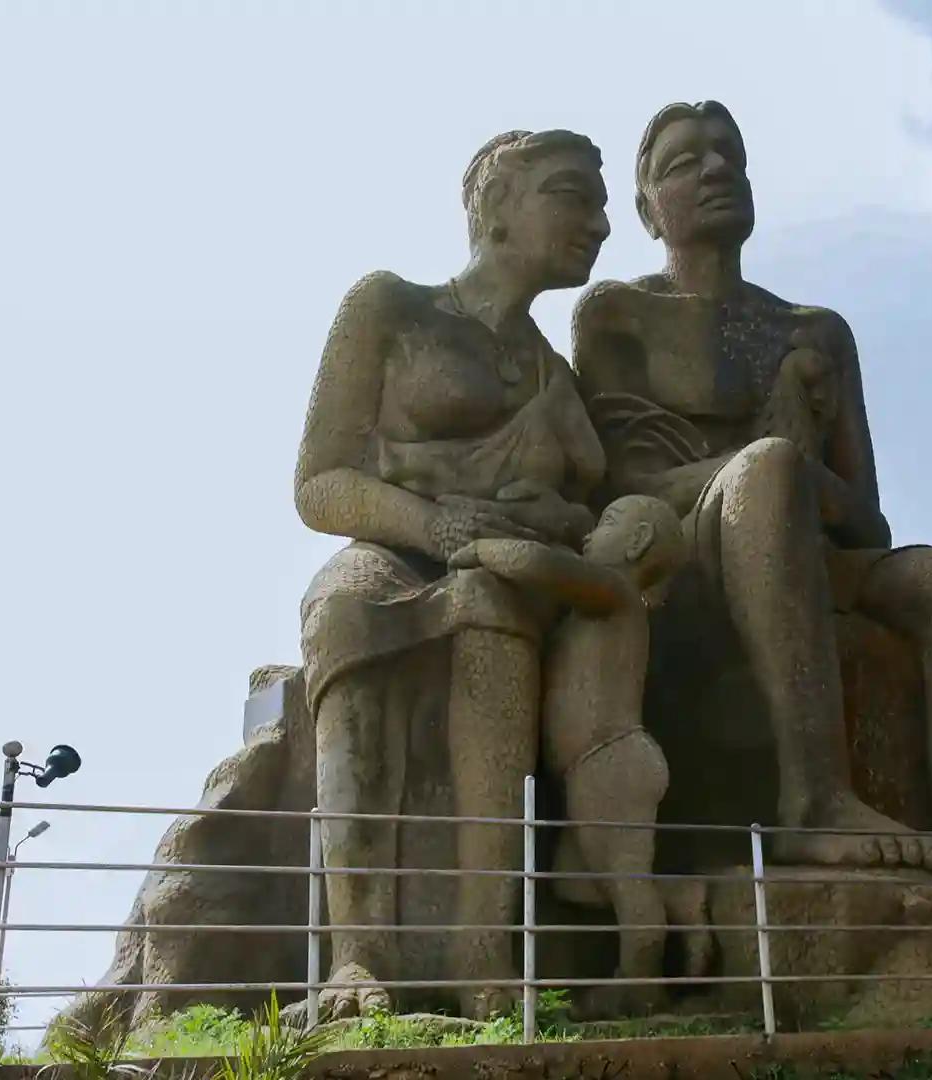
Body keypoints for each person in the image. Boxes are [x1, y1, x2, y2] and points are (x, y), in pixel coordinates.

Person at [572, 102, 932, 1003]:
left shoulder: (814, 330)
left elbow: (867, 520)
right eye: (683, 162)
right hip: (684, 553)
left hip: (814, 553)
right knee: (770, 470)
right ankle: (812, 798)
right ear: (645, 207)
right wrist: (773, 457)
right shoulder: (617, 313)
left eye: (729, 155)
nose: (715, 171)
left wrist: (789, 465)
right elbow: (620, 482)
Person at [293, 127, 610, 1018]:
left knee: (490, 615)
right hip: (389, 546)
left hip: (504, 572)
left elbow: (588, 509)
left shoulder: (553, 373)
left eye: (602, 204)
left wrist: (548, 520)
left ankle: (483, 955)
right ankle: (356, 957)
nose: (599, 222)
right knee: (346, 611)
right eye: (572, 195)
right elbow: (319, 484)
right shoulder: (389, 305)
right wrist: (434, 523)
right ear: (498, 203)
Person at [448, 494, 701, 1011]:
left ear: (637, 542)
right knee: (577, 883)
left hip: (609, 759)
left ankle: (640, 982)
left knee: (624, 883)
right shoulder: (593, 609)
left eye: (607, 522)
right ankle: (684, 900)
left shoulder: (615, 592)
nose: (589, 534)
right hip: (591, 769)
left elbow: (538, 564)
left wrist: (480, 548)